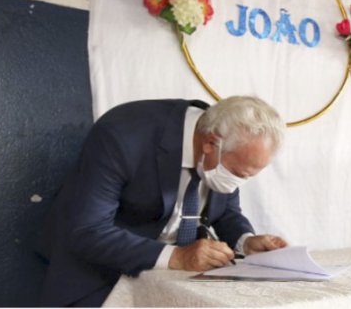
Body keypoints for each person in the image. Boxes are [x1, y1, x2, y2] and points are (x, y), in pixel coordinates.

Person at [37, 96, 288, 307]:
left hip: (173, 281)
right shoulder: (123, 135)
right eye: (239, 174)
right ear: (212, 143)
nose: (238, 182)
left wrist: (245, 241)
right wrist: (176, 257)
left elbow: (225, 211)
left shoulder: (230, 147)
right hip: (98, 274)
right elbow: (87, 231)